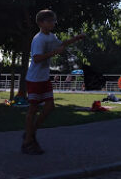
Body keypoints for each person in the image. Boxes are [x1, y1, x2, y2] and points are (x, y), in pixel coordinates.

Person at [21, 9, 85, 155]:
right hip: (35, 79)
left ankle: (30, 134)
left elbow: (61, 43)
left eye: (54, 20)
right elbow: (36, 58)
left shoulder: (51, 36)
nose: (54, 23)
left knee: (50, 107)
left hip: (44, 78)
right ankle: (27, 143)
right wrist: (54, 53)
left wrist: (77, 38)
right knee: (33, 110)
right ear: (41, 23)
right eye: (50, 21)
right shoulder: (38, 39)